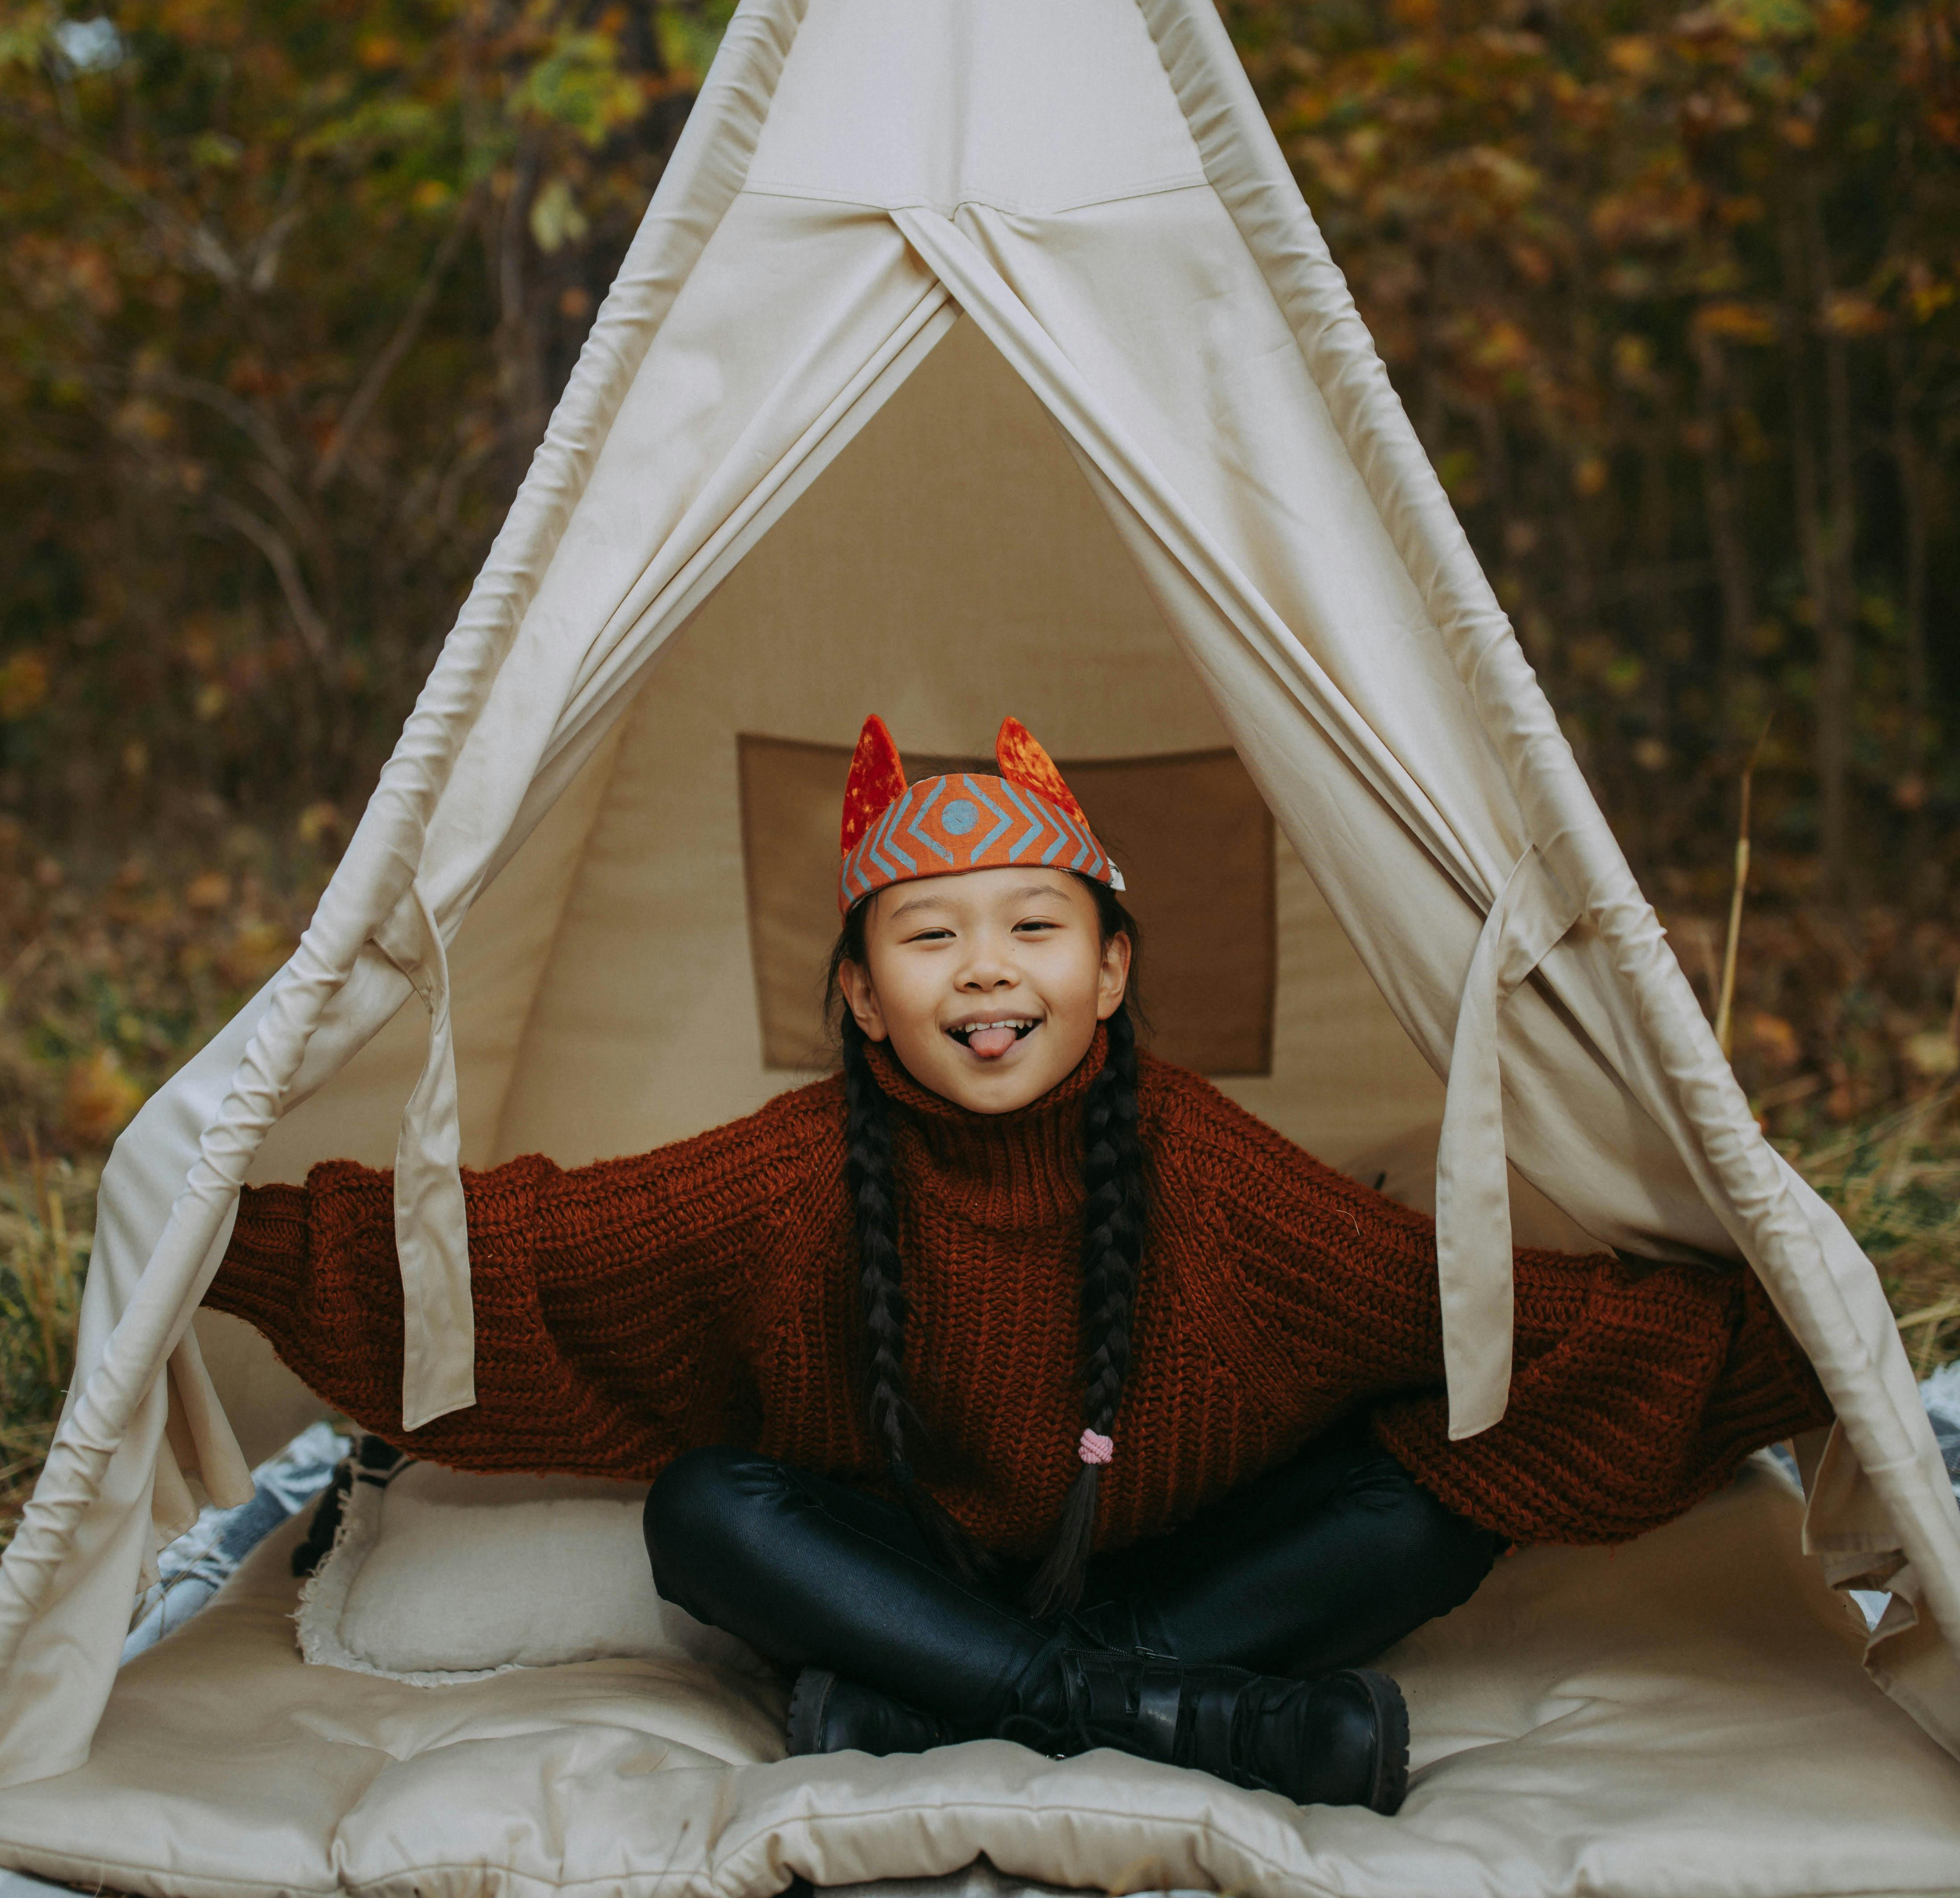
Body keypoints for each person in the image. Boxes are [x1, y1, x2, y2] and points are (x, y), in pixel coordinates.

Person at [205, 715, 1831, 1819]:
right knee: (707, 1509)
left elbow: (1466, 1317)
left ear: (1112, 969)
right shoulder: (790, 1176)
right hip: (907, 1591)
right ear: (861, 998)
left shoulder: (1202, 1164)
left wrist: (1796, 1327)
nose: (986, 968)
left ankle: (950, 1719)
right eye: (928, 937)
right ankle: (1157, 1721)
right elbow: (534, 1254)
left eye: (1035, 928)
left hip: (1173, 1578)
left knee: (1430, 1491)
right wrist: (217, 1229)